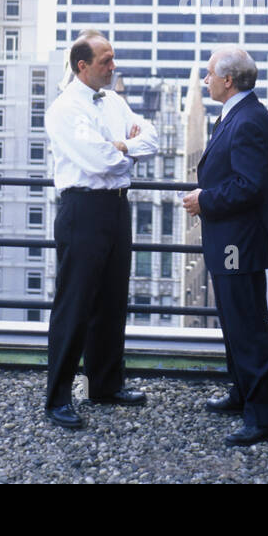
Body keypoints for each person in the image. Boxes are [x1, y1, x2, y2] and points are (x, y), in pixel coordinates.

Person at [44, 31, 158, 429]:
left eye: (112, 59)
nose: (113, 67)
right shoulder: (63, 109)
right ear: (82, 66)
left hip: (116, 209)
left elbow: (152, 138)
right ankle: (57, 397)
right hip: (83, 210)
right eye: (106, 61)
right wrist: (124, 151)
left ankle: (106, 385)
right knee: (74, 306)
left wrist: (121, 148)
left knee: (113, 300)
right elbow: (98, 162)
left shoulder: (114, 101)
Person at [181, 47, 268, 446]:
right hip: (229, 242)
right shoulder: (238, 114)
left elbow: (250, 186)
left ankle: (263, 420)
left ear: (228, 80)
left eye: (209, 75)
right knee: (234, 324)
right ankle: (243, 396)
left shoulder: (248, 121)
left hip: (239, 243)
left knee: (248, 330)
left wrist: (204, 200)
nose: (206, 81)